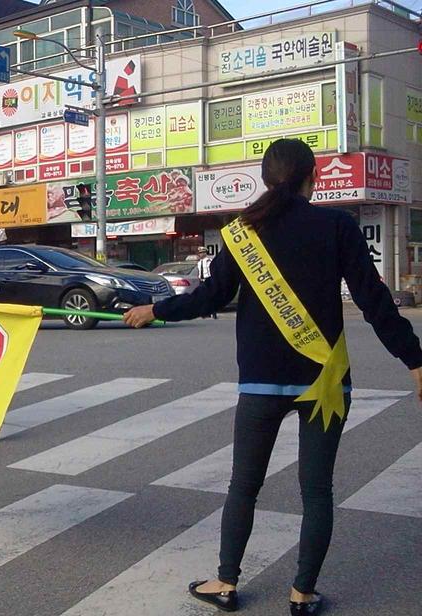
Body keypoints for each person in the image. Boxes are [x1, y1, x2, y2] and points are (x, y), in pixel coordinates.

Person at [124, 139, 422, 616]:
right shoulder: (337, 225)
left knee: (244, 485)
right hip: (324, 383)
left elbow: (208, 297)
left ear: (265, 178)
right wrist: (415, 360)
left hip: (260, 383)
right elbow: (373, 300)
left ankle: (225, 583)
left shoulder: (243, 230)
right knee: (317, 491)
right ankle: (302, 595)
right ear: (314, 177)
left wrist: (155, 309)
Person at [196, 247, 218, 319]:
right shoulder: (199, 263)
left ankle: (213, 313)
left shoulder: (209, 261)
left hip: (208, 279)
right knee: (203, 297)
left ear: (205, 253)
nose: (201, 254)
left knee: (210, 297)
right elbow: (199, 272)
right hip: (201, 280)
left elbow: (212, 270)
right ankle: (206, 313)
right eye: (200, 253)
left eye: (202, 252)